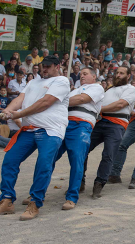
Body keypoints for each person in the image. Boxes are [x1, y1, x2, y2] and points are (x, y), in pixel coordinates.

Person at [0, 55, 70, 221]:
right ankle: (7, 200)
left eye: (48, 66)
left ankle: (35, 202)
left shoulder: (62, 81)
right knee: (10, 160)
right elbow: (19, 99)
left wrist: (19, 114)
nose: (44, 69)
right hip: (28, 130)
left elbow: (45, 102)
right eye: (42, 66)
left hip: (50, 130)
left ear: (57, 66)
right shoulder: (32, 82)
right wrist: (8, 111)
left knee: (44, 164)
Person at [35, 67, 104, 210]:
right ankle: (36, 194)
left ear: (94, 76)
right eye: (81, 74)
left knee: (77, 160)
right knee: (48, 158)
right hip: (63, 124)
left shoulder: (97, 88)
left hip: (81, 125)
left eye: (85, 74)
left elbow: (81, 99)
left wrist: (56, 98)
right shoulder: (73, 90)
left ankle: (72, 197)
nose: (82, 76)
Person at [83, 66, 135, 198]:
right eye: (117, 73)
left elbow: (120, 105)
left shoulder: (130, 89)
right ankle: (80, 181)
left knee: (108, 154)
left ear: (128, 76)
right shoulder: (109, 89)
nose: (118, 75)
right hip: (101, 121)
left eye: (121, 73)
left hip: (117, 124)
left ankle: (99, 183)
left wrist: (99, 109)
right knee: (82, 147)